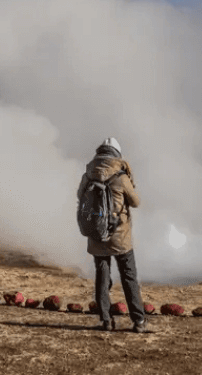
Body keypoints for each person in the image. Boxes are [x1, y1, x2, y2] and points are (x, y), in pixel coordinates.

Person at [77, 137, 148, 333]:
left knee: (102, 275)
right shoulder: (121, 177)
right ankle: (138, 321)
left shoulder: (88, 174)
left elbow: (79, 196)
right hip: (120, 236)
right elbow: (135, 202)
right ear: (117, 154)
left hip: (96, 233)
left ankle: (106, 320)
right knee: (129, 276)